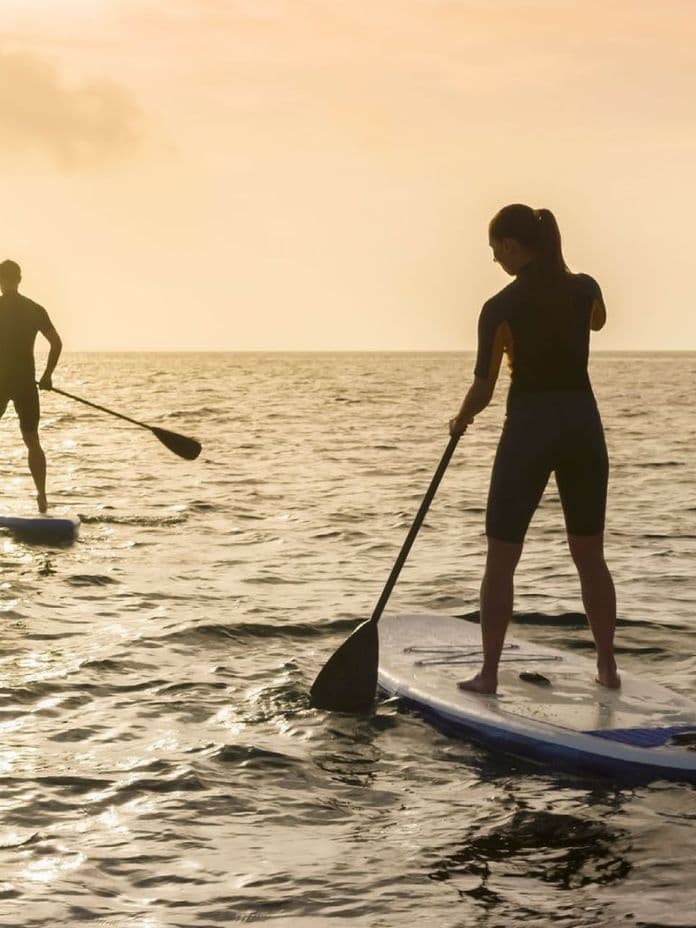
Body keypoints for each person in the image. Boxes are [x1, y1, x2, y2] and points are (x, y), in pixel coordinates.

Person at [449, 204, 619, 694]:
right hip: (583, 427)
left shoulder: (499, 307)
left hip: (530, 430)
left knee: (501, 558)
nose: (494, 259)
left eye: (494, 249)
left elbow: (484, 387)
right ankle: (608, 667)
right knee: (590, 555)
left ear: (510, 245)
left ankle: (488, 674)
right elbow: (598, 323)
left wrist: (460, 419)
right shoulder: (585, 288)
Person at [0, 259, 62, 513]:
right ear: (19, 279)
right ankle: (42, 496)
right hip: (26, 382)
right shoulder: (35, 309)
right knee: (32, 440)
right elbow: (56, 343)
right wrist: (47, 376)